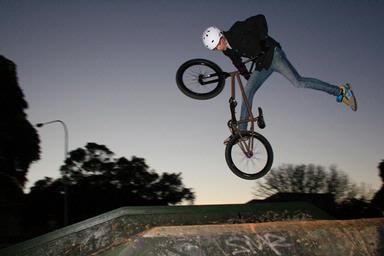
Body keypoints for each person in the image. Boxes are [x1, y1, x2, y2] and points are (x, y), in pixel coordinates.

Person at [201, 15, 357, 143]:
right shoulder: (227, 51)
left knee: (298, 82)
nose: (216, 50)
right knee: (247, 92)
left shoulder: (236, 29)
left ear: (219, 36)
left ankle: (341, 91)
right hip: (262, 64)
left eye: (216, 46)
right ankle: (242, 133)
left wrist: (262, 39)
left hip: (274, 55)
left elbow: (260, 19)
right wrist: (247, 75)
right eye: (213, 49)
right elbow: (237, 62)